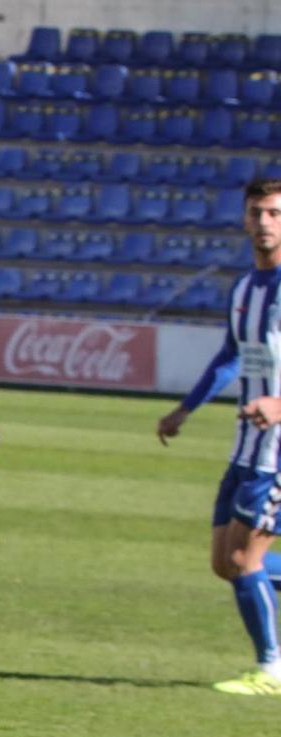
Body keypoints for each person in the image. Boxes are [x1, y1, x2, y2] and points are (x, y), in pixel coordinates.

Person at [158, 178, 281, 695]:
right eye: (256, 213)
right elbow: (230, 357)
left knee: (241, 560)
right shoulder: (246, 288)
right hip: (245, 446)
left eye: (274, 213)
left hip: (278, 453)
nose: (264, 223)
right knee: (223, 563)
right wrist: (185, 409)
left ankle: (271, 669)